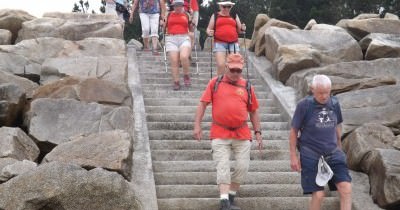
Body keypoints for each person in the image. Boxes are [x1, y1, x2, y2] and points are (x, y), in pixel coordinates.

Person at [193, 53, 263, 210]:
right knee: (223, 167)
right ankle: (224, 203)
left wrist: (258, 132)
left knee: (243, 167)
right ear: (226, 67)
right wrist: (197, 125)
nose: (236, 74)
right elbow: (202, 104)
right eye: (233, 70)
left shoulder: (247, 86)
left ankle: (230, 195)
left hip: (242, 132)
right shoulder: (215, 83)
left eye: (239, 71)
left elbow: (253, 111)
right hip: (220, 131)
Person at [289, 74, 352, 210]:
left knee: (346, 188)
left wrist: (340, 149)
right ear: (312, 89)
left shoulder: (334, 103)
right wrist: (293, 156)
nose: (324, 96)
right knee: (318, 194)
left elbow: (336, 127)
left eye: (326, 92)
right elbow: (294, 131)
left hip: (333, 152)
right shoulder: (304, 106)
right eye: (320, 93)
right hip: (311, 154)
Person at [206, 0, 246, 75]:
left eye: (229, 6)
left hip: (233, 42)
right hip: (219, 42)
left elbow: (240, 30)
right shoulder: (215, 15)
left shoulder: (234, 15)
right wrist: (209, 32)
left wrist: (243, 28)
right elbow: (208, 29)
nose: (227, 8)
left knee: (235, 65)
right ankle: (220, 83)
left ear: (231, 7)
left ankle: (232, 83)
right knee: (221, 65)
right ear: (220, 6)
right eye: (224, 6)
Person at [164, 0, 193, 90]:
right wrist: (162, 23)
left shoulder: (187, 15)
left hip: (184, 37)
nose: (178, 7)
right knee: (174, 61)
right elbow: (164, 26)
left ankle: (186, 75)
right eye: (176, 5)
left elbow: (191, 28)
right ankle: (176, 82)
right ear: (173, 6)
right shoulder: (168, 14)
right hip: (171, 38)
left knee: (184, 57)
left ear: (182, 6)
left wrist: (192, 33)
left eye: (179, 5)